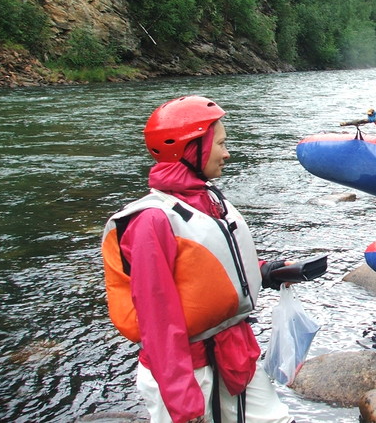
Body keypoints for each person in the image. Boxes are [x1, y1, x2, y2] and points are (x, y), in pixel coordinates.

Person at [102, 96, 295, 423]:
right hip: (184, 371)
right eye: (220, 143)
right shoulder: (152, 221)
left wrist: (265, 273)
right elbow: (157, 319)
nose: (227, 153)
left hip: (232, 354)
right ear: (191, 149)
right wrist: (182, 401)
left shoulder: (207, 200)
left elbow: (207, 274)